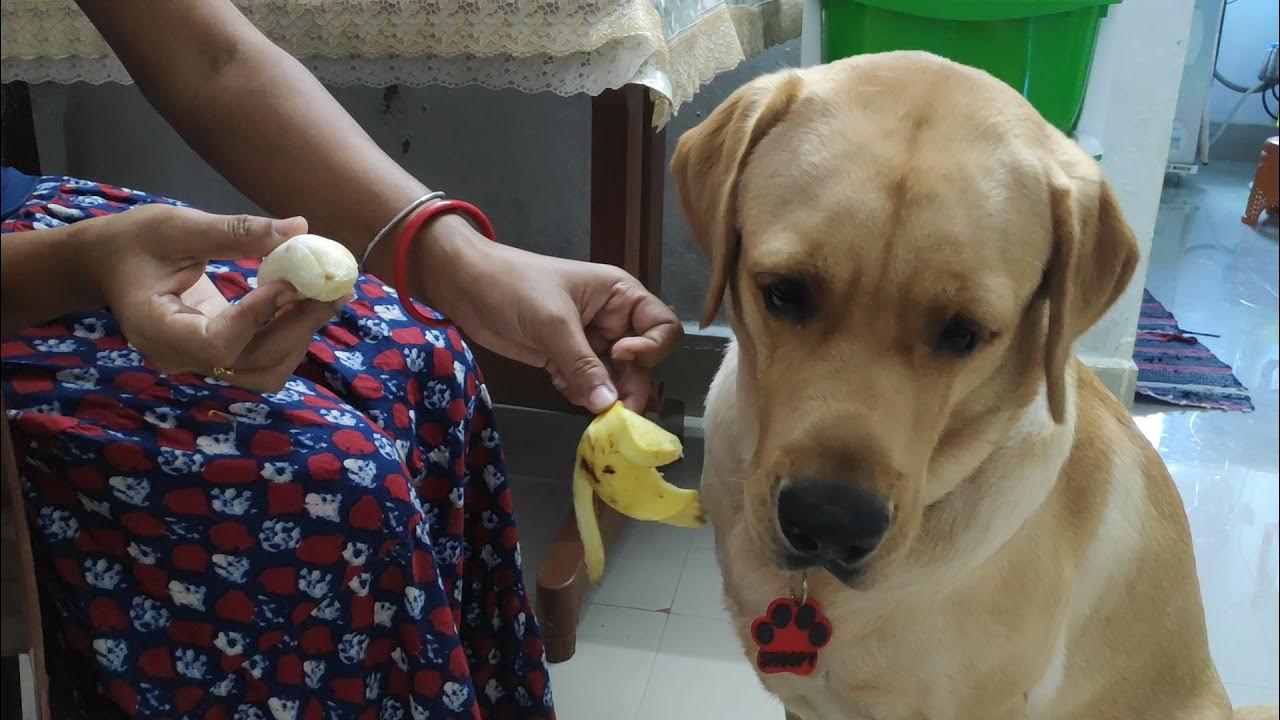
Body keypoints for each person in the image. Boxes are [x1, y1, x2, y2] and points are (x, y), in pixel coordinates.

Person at [0, 2, 681, 718]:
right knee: (326, 484)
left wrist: (459, 259)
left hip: (36, 221)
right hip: (40, 276)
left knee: (427, 360)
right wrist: (81, 265)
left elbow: (213, 59)